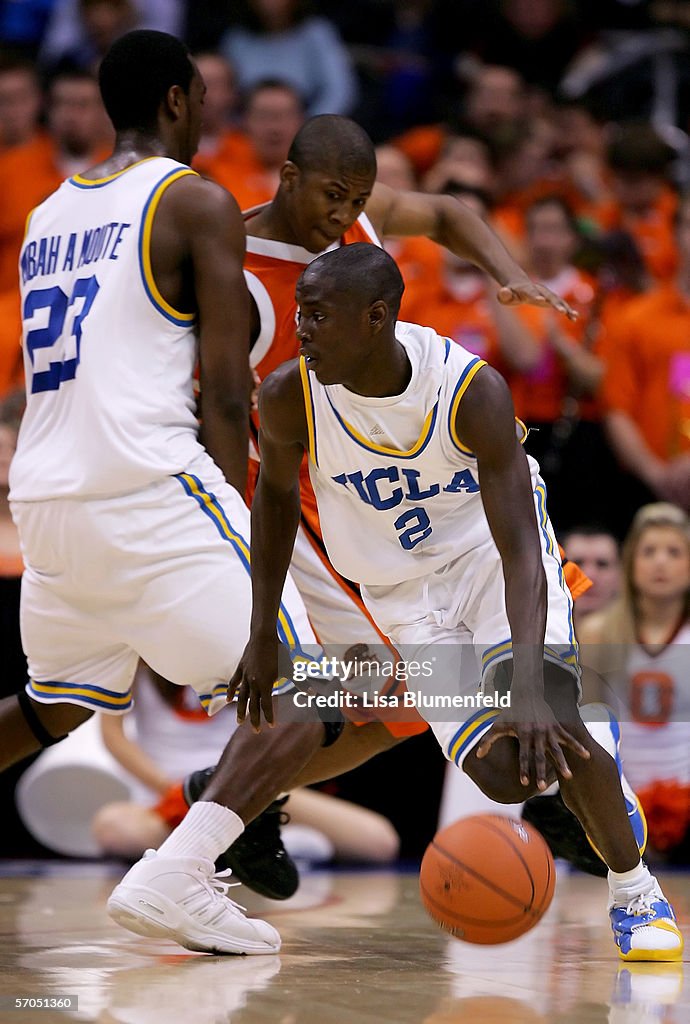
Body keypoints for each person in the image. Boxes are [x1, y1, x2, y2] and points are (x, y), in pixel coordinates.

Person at [231, 242, 683, 961]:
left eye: (316, 316)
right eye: (299, 314)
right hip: (400, 595)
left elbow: (521, 551)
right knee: (506, 777)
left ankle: (636, 896)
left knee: (555, 720)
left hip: (488, 562)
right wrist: (263, 633)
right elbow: (276, 501)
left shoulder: (468, 389)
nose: (301, 330)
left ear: (375, 318)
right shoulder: (290, 393)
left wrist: (532, 685)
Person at [0, 29, 328, 956]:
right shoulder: (194, 200)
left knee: (53, 705)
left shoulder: (50, 213)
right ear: (178, 100)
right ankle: (178, 876)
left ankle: (189, 864)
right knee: (301, 690)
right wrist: (236, 525)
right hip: (147, 483)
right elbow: (229, 391)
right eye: (204, 97)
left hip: (48, 499)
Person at [579, 504, 690, 863]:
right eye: (649, 551)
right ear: (630, 563)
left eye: (674, 552)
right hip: (621, 804)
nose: (660, 562)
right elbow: (587, 728)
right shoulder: (596, 633)